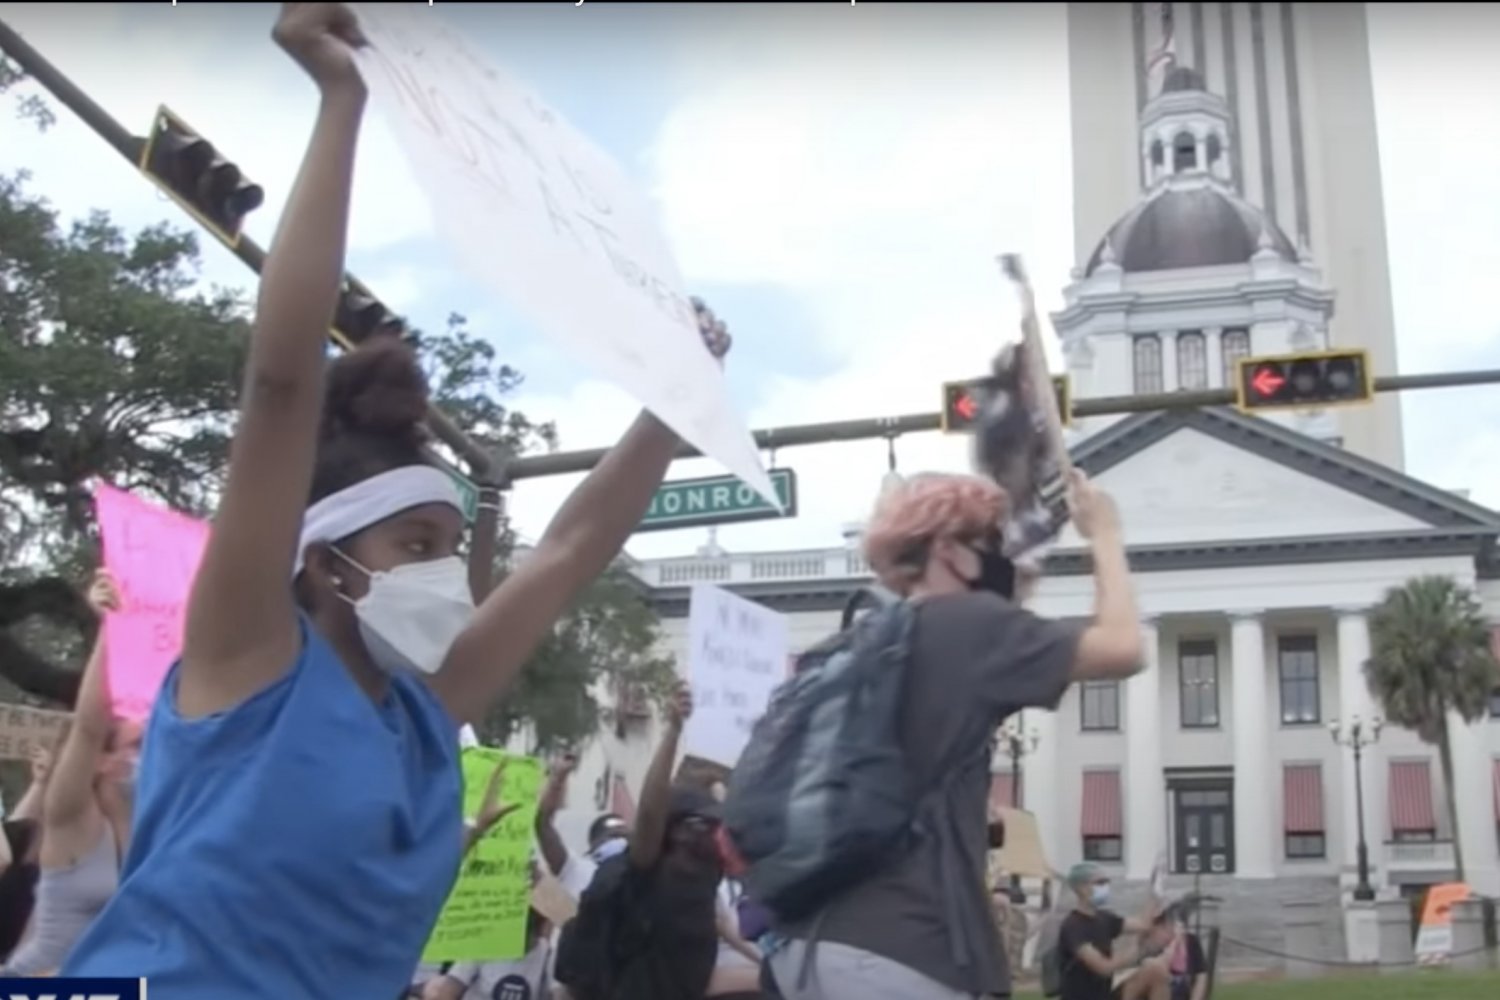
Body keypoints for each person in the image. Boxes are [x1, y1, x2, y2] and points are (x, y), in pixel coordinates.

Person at [63, 5, 732, 995]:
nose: (446, 573)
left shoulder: (426, 711)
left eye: (451, 545)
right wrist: (341, 99)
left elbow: (568, 551)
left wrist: (678, 398)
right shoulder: (245, 660)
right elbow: (281, 385)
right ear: (324, 560)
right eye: (416, 542)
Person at [765, 470, 1144, 1000]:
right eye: (991, 543)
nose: (1003, 560)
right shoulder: (965, 625)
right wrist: (1104, 533)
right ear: (948, 550)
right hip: (905, 954)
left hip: (806, 953)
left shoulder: (852, 647)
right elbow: (1124, 647)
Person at [555, 686, 739, 1000]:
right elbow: (652, 812)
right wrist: (673, 732)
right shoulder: (647, 870)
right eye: (696, 826)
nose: (706, 836)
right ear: (670, 833)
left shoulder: (705, 882)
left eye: (712, 826)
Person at [4, 571, 137, 976]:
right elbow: (88, 726)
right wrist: (111, 628)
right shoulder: (70, 812)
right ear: (101, 759)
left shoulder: (142, 819)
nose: (139, 759)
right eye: (133, 747)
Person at [1056, 864, 1170, 1000]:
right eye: (1100, 883)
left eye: (1106, 882)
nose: (1105, 887)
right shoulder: (1073, 926)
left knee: (1156, 970)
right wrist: (1132, 953)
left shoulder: (1105, 918)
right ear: (1082, 888)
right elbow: (1103, 968)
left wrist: (1155, 893)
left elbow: (1143, 924)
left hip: (1105, 995)